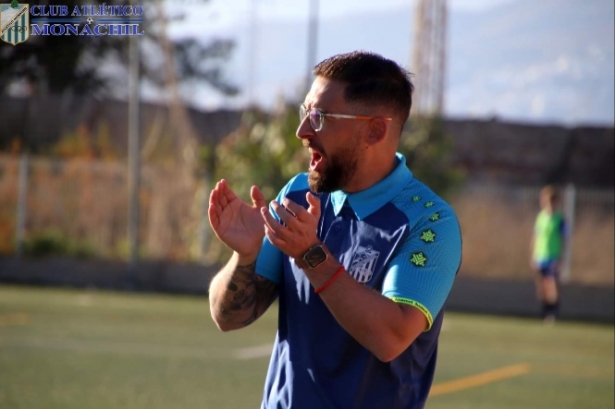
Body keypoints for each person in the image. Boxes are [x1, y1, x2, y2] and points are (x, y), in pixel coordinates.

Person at [208, 51, 462, 409]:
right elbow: (228, 317)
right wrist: (244, 255)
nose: (302, 131)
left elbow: (391, 337)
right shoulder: (297, 194)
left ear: (375, 129)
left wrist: (311, 256)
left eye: (320, 117)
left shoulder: (429, 222)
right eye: (306, 111)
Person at [530, 185, 567, 325]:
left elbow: (564, 239)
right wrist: (533, 255)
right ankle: (545, 311)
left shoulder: (559, 219)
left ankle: (553, 313)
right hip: (540, 256)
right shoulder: (540, 217)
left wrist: (560, 258)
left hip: (553, 256)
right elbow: (535, 237)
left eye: (550, 200)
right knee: (541, 287)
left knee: (552, 285)